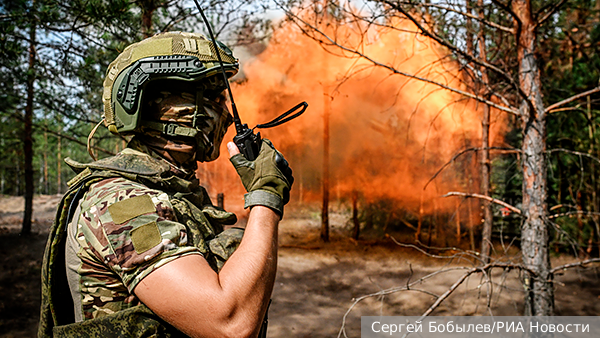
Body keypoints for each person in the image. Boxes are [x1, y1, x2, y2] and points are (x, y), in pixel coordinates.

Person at [38, 31, 293, 338]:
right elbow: (230, 324)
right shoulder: (122, 203)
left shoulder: (171, 189)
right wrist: (266, 196)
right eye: (212, 98)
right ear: (168, 108)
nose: (224, 113)